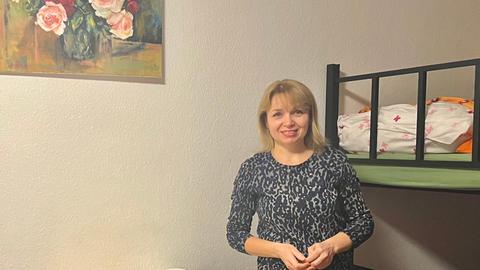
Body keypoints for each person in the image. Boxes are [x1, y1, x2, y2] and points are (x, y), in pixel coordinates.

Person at [226, 79, 374, 270]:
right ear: (266, 120)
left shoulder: (334, 161)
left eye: (298, 112)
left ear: (310, 116)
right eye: (278, 114)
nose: (289, 122)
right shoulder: (253, 168)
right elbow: (235, 233)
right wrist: (278, 250)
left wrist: (331, 247)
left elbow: (363, 221)